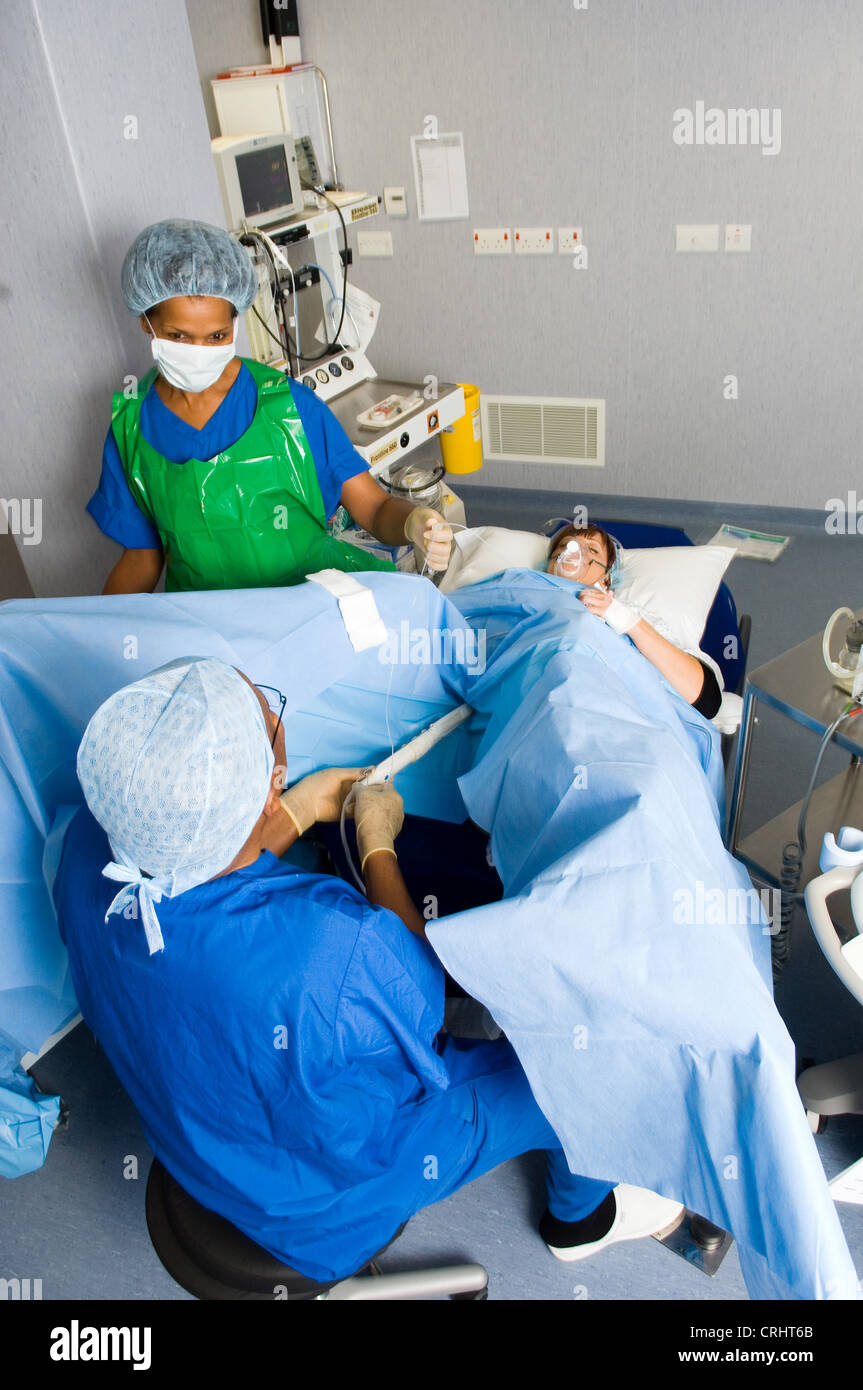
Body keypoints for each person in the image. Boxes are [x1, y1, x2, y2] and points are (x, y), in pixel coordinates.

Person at [53, 657, 683, 1282]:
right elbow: (425, 994)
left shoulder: (87, 843)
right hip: (319, 1207)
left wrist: (295, 814)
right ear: (265, 782)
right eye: (268, 717)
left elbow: (188, 877)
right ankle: (580, 1222)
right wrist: (378, 846)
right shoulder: (328, 948)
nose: (274, 714)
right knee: (590, 1058)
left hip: (193, 1135)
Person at [88, 219, 452, 594]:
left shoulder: (289, 406)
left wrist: (415, 523)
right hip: (214, 623)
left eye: (216, 336)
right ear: (146, 321)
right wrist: (108, 632)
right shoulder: (131, 429)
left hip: (311, 602)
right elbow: (141, 559)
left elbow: (373, 510)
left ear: (235, 323)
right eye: (178, 336)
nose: (199, 352)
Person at [547, 523, 722, 717]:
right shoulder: (515, 589)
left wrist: (626, 620)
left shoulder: (622, 617)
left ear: (606, 578)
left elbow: (706, 700)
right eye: (565, 545)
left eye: (592, 550)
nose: (575, 551)